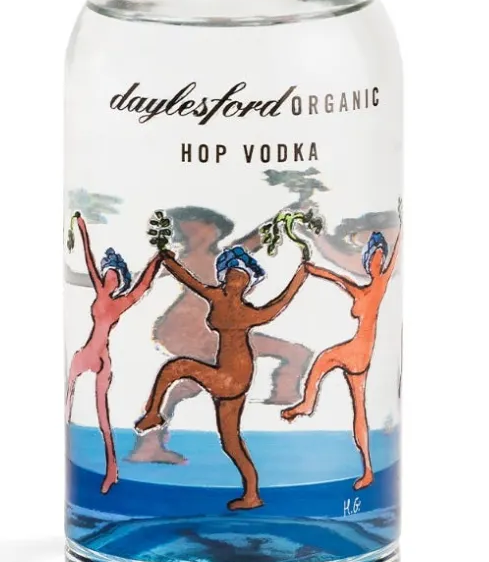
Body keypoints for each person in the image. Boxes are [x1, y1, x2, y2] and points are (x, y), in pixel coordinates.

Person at [128, 206, 312, 464]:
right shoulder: (188, 259)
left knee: (190, 385)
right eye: (193, 228)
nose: (203, 233)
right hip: (189, 332)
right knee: (190, 378)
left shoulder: (226, 258)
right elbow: (138, 279)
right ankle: (150, 438)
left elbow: (258, 238)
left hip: (217, 332)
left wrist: (290, 213)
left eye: (206, 228)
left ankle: (149, 442)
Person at [135, 246, 309, 510]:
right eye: (231, 274)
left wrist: (301, 275)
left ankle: (152, 413)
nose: (235, 279)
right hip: (226, 374)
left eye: (241, 276)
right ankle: (252, 494)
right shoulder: (216, 296)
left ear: (248, 283)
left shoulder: (248, 313)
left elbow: (278, 305)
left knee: (177, 367)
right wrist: (169, 262)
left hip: (233, 376)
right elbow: (191, 282)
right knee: (230, 442)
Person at [281, 223, 402, 490]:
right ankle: (367, 470)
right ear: (367, 262)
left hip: (358, 351)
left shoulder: (381, 285)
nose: (377, 263)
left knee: (326, 358)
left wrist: (402, 227)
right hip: (361, 359)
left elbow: (394, 260)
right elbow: (336, 278)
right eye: (373, 258)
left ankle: (307, 404)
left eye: (380, 258)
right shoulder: (360, 290)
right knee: (360, 413)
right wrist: (312, 270)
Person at [65, 212, 161, 494]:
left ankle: (111, 469)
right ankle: (68, 443)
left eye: (114, 275)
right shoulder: (99, 290)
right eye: (108, 272)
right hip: (87, 350)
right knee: (69, 391)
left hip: (101, 357)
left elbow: (143, 285)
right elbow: (88, 258)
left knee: (103, 416)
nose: (109, 276)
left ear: (119, 281)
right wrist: (82, 229)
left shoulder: (122, 301)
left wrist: (158, 258)